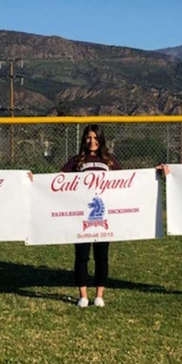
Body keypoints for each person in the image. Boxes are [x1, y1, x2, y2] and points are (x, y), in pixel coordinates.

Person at [62, 124, 121, 308]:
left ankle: (99, 295)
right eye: (88, 137)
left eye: (95, 138)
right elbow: (58, 180)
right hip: (81, 219)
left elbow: (127, 181)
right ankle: (83, 295)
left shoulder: (109, 161)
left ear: (101, 139)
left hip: (103, 217)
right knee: (81, 256)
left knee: (102, 256)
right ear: (84, 139)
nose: (92, 141)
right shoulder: (76, 161)